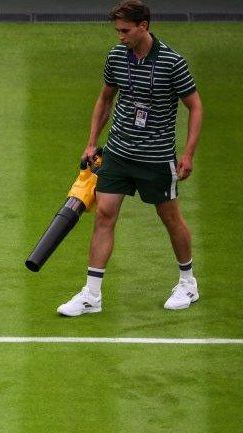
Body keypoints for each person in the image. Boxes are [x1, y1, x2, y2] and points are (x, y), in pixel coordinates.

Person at [58, 0, 203, 316]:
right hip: (118, 153)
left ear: (144, 26)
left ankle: (188, 283)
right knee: (104, 214)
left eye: (125, 30)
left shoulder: (172, 62)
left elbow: (195, 106)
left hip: (156, 158)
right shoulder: (115, 57)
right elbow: (105, 100)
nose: (120, 36)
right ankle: (92, 295)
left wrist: (188, 153)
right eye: (117, 30)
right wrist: (92, 143)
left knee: (170, 218)